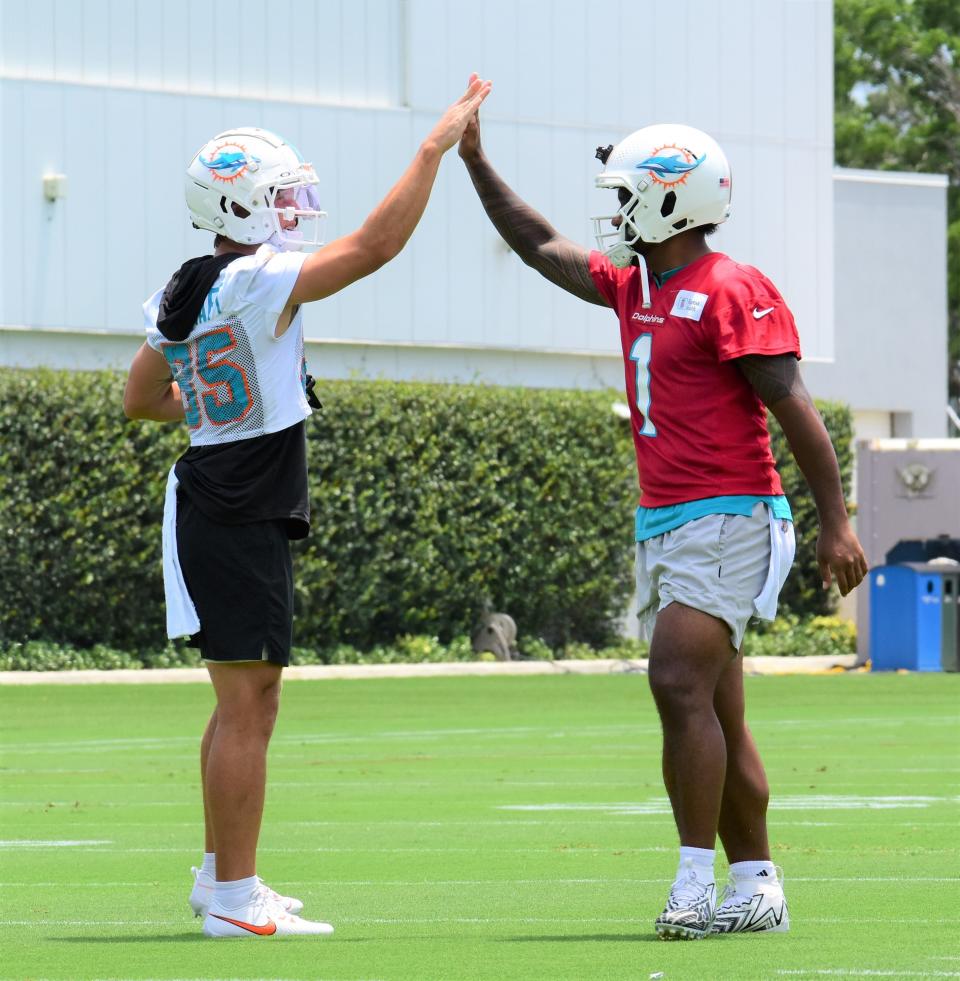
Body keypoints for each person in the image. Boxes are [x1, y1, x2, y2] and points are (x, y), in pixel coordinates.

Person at [458, 88, 867, 940]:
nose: (612, 211)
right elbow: (537, 245)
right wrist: (475, 162)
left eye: (624, 193)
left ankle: (691, 885)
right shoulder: (634, 283)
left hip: (732, 514)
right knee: (716, 710)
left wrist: (837, 520)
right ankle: (756, 883)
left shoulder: (731, 287)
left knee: (674, 680)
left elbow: (795, 408)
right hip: (672, 520)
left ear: (671, 196)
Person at [123, 76, 492, 939]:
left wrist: (225, 398)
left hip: (219, 490)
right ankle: (231, 897)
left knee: (244, 701)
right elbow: (375, 246)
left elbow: (142, 397)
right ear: (240, 203)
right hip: (239, 500)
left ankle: (222, 875)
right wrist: (432, 149)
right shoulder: (255, 279)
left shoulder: (193, 280)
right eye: (279, 198)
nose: (292, 211)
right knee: (247, 704)